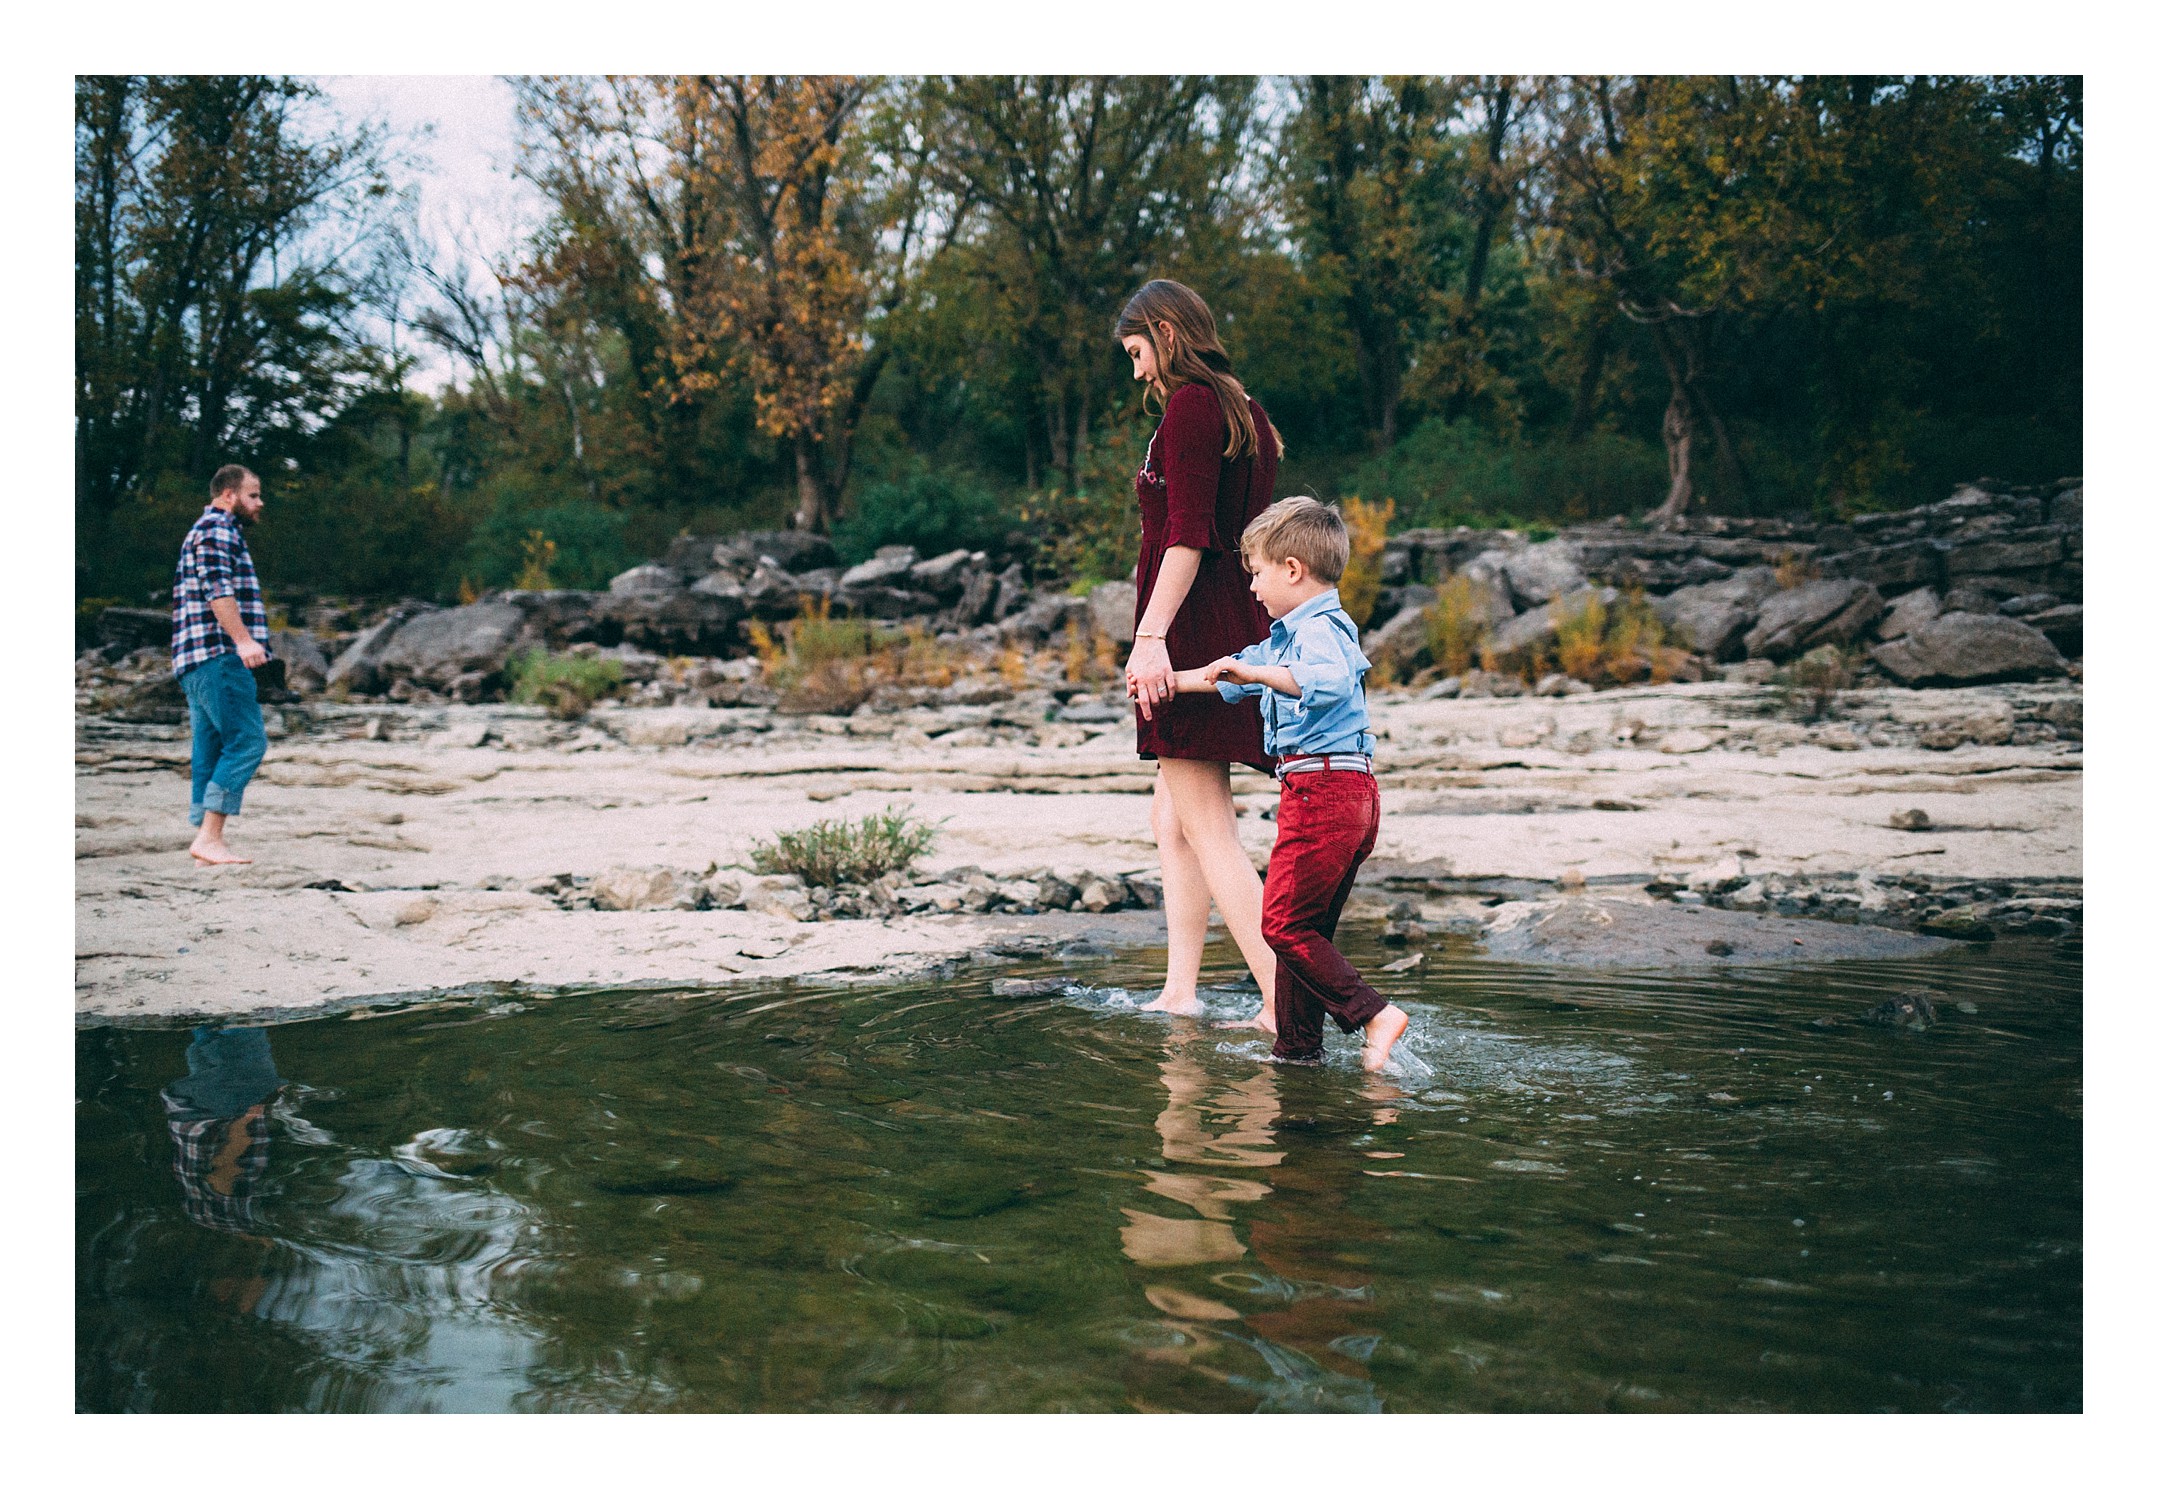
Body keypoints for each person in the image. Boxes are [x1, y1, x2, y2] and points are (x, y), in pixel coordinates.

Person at [1172, 496, 1411, 1072]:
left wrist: (1254, 673)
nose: (1252, 589)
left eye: (1255, 574)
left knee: (1278, 922)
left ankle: (1374, 1015)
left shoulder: (1323, 631)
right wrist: (1170, 681)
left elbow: (1325, 682)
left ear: (1292, 570)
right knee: (1304, 932)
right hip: (1337, 794)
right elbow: (1234, 671)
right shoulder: (1285, 639)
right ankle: (1298, 1051)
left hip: (1326, 795)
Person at [1115, 280, 1282, 1025]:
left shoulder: (1190, 406)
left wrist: (1150, 642)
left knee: (1209, 826)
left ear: (1166, 332)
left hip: (1188, 635)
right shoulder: (1249, 412)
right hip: (1227, 625)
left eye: (1139, 351)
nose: (1140, 371)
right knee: (1174, 819)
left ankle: (1285, 1004)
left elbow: (1186, 535)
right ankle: (1182, 990)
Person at [170, 464, 272, 865]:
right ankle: (210, 837)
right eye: (253, 494)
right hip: (217, 655)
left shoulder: (207, 530)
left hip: (194, 659)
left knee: (209, 747)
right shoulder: (216, 530)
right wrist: (244, 641)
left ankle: (203, 841)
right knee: (247, 741)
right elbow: (219, 591)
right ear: (229, 495)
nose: (259, 502)